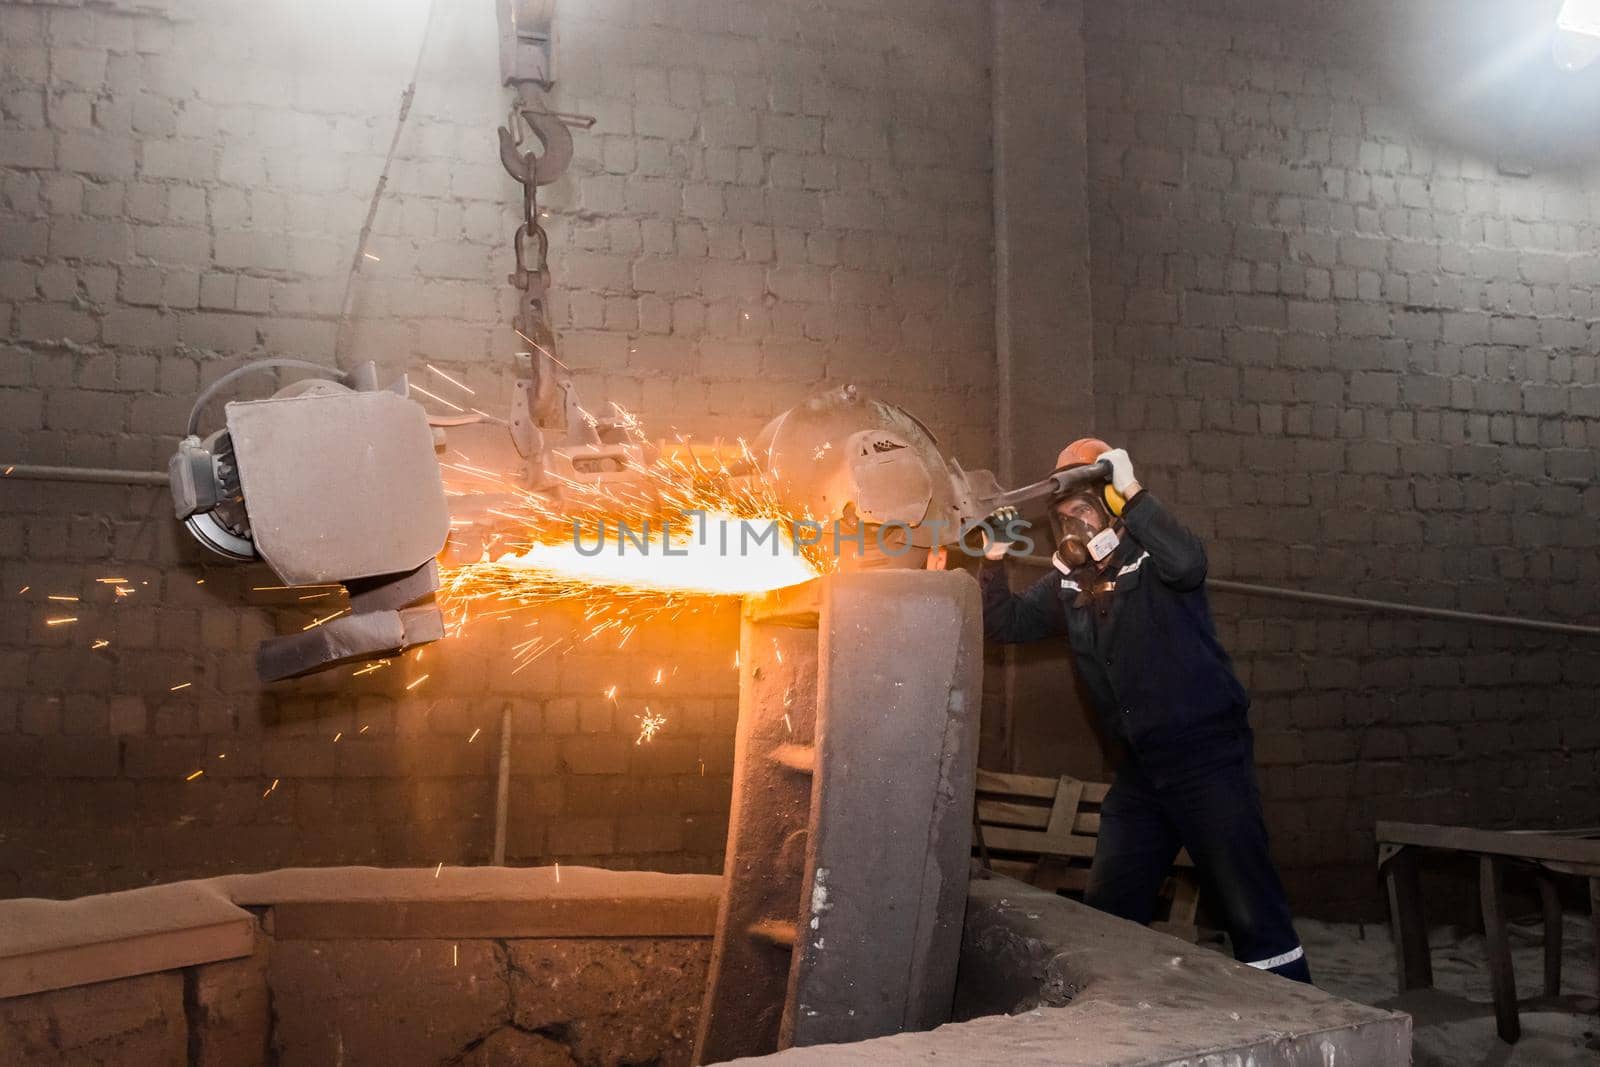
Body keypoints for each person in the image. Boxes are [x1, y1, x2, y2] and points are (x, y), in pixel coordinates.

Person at [978, 439, 1312, 984]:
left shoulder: (1153, 557)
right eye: (1063, 518)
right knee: (1110, 911)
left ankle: (1303, 1017)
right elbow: (1004, 624)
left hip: (1207, 760)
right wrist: (992, 559)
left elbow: (1190, 563)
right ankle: (1112, 1027)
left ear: (1111, 507)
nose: (1074, 527)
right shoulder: (1071, 581)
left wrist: (1132, 490)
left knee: (1251, 912)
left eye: (1084, 511)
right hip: (1141, 773)